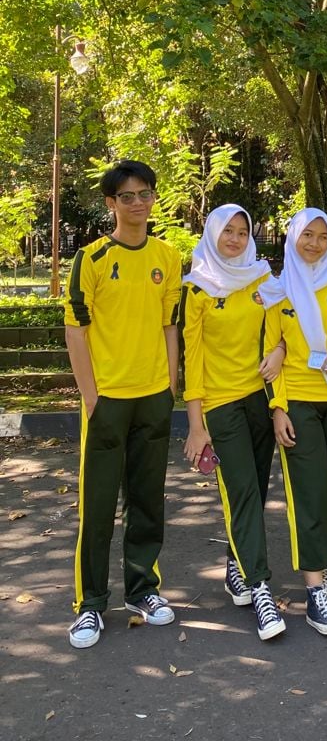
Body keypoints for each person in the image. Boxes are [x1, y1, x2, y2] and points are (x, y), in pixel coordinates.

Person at [64, 160, 182, 649]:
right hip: (107, 399)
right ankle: (90, 604)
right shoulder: (91, 258)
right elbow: (76, 329)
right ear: (111, 203)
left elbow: (170, 324)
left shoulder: (168, 256)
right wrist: (91, 396)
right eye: (127, 196)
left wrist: (170, 385)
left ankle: (143, 591)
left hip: (153, 396)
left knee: (148, 500)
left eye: (145, 193)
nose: (138, 203)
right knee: (98, 505)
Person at [180, 204, 286, 643]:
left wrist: (279, 350)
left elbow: (283, 330)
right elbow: (192, 357)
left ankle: (236, 565)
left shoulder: (262, 278)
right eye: (228, 231)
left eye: (243, 231)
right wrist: (196, 425)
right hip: (220, 405)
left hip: (260, 399)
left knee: (255, 491)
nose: (235, 239)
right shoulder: (197, 288)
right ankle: (260, 588)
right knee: (241, 490)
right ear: (212, 234)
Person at [261, 208, 327, 637]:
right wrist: (278, 407)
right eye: (307, 235)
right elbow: (270, 349)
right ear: (292, 237)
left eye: (322, 236)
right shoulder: (276, 289)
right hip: (299, 400)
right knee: (309, 491)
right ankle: (315, 590)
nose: (314, 243)